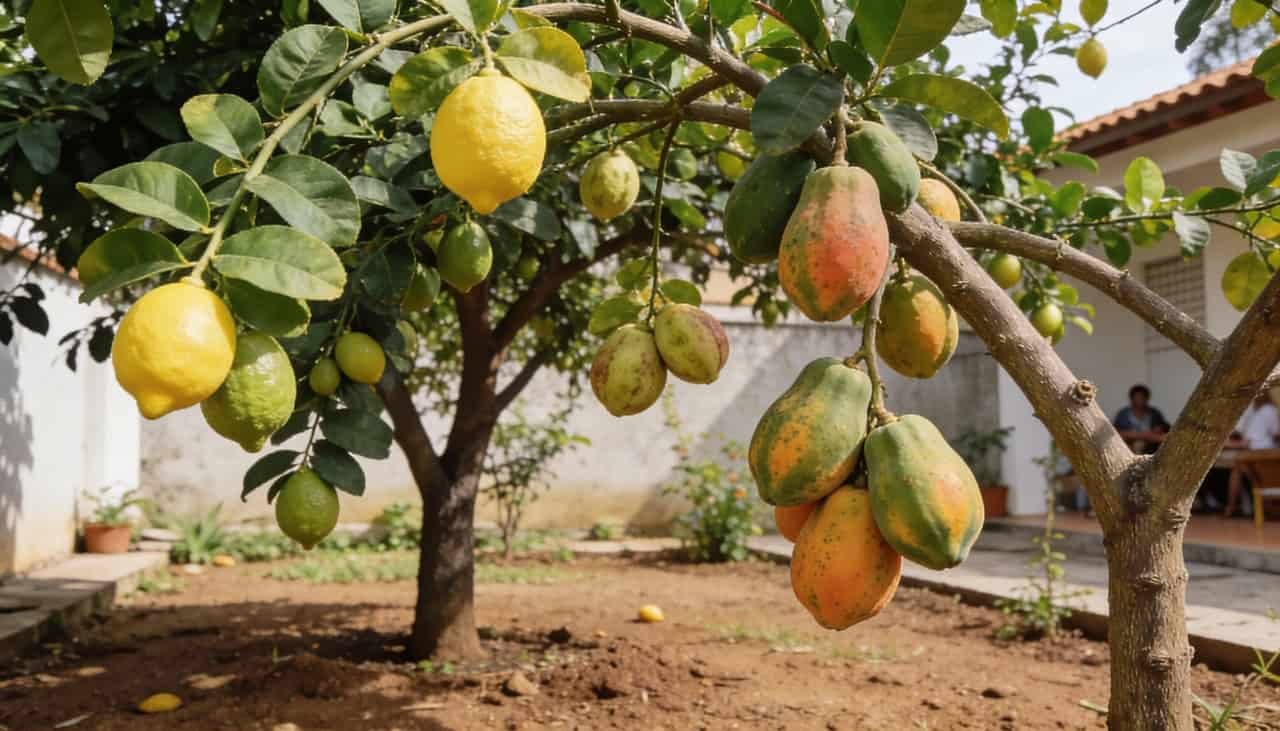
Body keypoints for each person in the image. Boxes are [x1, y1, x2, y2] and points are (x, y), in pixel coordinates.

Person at [1223, 390, 1280, 518]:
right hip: (1260, 451)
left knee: (1242, 472)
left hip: (1260, 452)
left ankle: (1230, 508)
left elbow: (1272, 435)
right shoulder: (1259, 411)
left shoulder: (1264, 411)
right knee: (1252, 477)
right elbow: (1275, 433)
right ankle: (1234, 507)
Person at [1113, 384, 1170, 455]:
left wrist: (1135, 435)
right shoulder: (1123, 414)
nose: (1139, 401)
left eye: (1142, 398)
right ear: (1131, 399)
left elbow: (1160, 435)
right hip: (1129, 448)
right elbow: (1118, 434)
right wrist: (1146, 435)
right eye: (1137, 398)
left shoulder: (1154, 414)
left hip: (1150, 449)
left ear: (1146, 399)